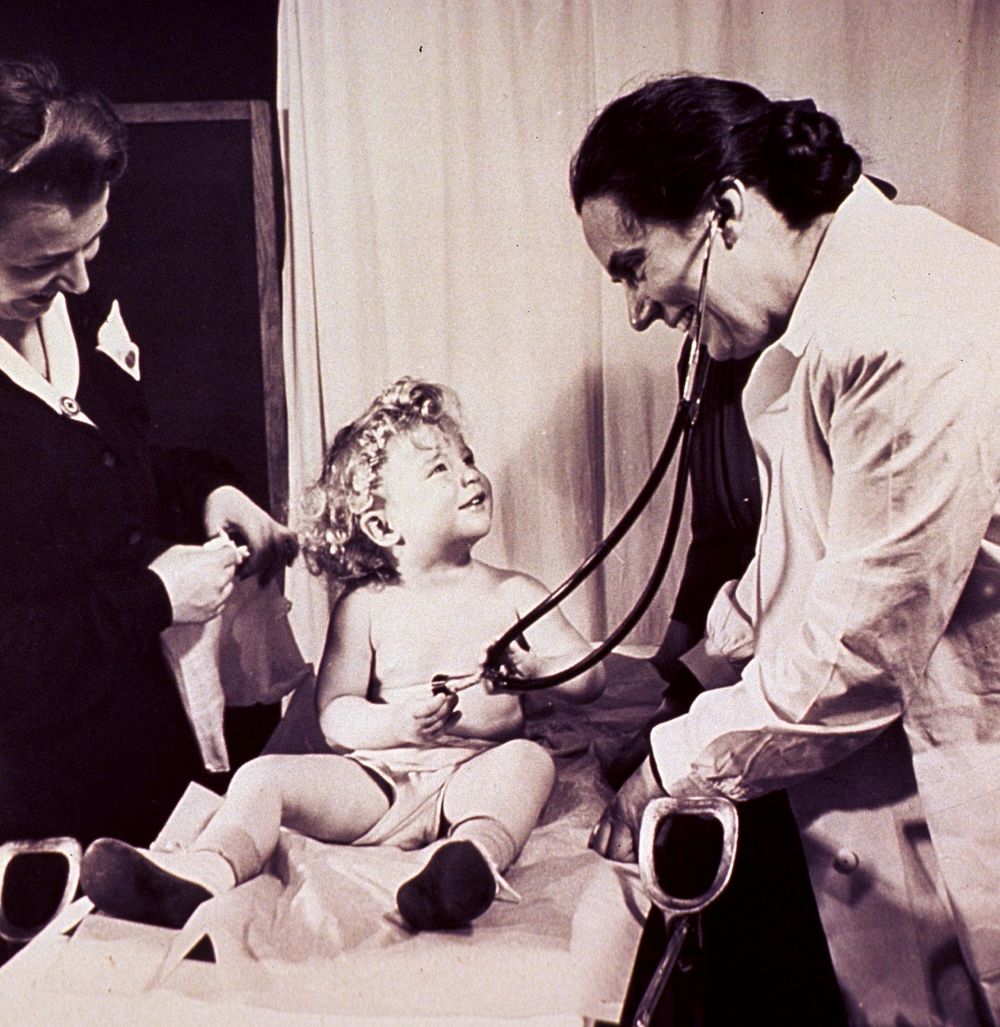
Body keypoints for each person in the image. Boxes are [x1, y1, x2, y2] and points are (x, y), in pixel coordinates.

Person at [572, 75, 1000, 1025]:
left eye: (634, 266)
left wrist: (672, 764)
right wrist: (672, 677)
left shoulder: (905, 322)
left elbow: (862, 650)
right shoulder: (824, 321)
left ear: (724, 209)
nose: (638, 311)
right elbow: (795, 566)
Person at [80, 377, 605, 932]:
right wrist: (397, 723)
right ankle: (203, 873)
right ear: (382, 525)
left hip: (478, 767)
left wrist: (537, 672)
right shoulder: (366, 607)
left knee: (529, 762)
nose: (469, 475)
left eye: (467, 458)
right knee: (262, 777)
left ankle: (468, 864)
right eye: (439, 470)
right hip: (383, 779)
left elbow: (590, 678)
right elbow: (336, 716)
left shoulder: (514, 592)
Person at [0, 57, 295, 866]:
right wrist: (154, 597)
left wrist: (209, 491)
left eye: (90, 243)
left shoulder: (79, 297)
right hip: (32, 815)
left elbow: (112, 472)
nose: (81, 278)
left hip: (145, 768)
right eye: (40, 262)